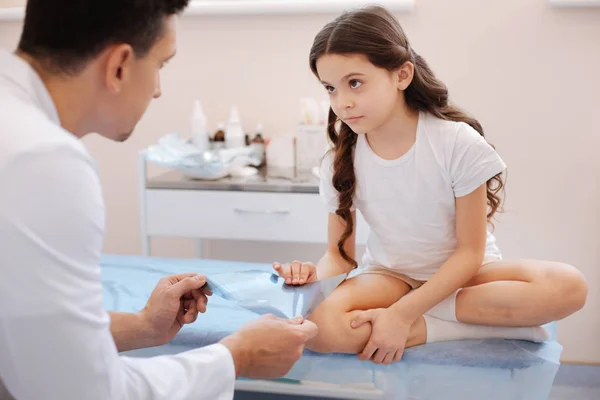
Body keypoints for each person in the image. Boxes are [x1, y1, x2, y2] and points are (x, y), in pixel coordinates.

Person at [0, 1, 317, 399]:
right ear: (119, 66)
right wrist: (236, 356)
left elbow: (27, 329)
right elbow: (87, 392)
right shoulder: (44, 162)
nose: (158, 89)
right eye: (161, 65)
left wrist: (143, 326)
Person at [273, 5, 587, 365]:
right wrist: (313, 277)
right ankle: (478, 323)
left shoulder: (456, 143)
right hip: (389, 277)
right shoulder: (339, 161)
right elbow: (339, 255)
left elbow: (469, 253)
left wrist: (401, 314)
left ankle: (417, 327)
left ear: (402, 75)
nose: (342, 102)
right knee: (320, 327)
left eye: (355, 82)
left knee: (569, 286)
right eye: (330, 88)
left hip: (466, 276)